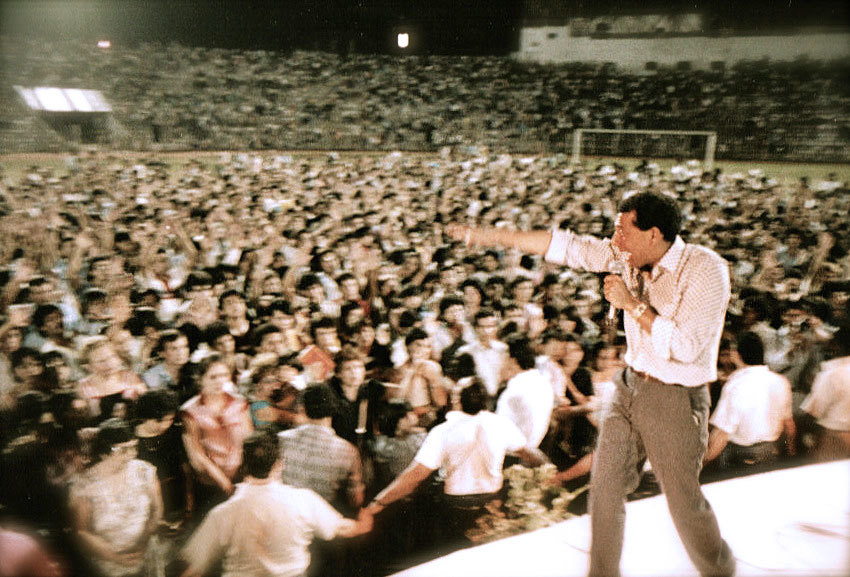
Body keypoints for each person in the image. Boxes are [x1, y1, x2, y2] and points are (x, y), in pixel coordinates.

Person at [448, 190, 736, 577]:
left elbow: (686, 347)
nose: (615, 241)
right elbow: (565, 246)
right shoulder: (626, 255)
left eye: (623, 231)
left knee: (682, 501)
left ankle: (721, 570)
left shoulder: (705, 269)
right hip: (629, 385)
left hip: (676, 397)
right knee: (604, 492)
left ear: (653, 234)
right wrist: (484, 236)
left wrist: (632, 303)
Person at [365, 380, 541, 552]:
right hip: (493, 504)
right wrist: (553, 473)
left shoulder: (443, 432)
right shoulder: (501, 424)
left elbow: (416, 475)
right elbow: (531, 455)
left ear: (456, 402)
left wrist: (379, 502)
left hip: (457, 510)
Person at [179, 430, 373, 577]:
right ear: (279, 464)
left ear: (244, 465)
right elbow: (343, 528)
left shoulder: (222, 513)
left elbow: (195, 568)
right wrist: (363, 524)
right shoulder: (303, 500)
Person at [68, 419, 164, 577]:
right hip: (108, 563)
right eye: (122, 450)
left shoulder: (144, 471)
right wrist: (114, 557)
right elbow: (81, 531)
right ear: (104, 452)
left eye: (133, 447)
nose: (131, 455)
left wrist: (143, 541)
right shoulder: (85, 485)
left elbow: (157, 509)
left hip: (145, 553)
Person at [703, 331, 795, 477]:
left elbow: (722, 433)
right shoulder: (781, 381)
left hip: (739, 458)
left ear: (737, 355)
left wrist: (703, 462)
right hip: (771, 454)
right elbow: (789, 425)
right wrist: (791, 452)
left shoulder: (735, 385)